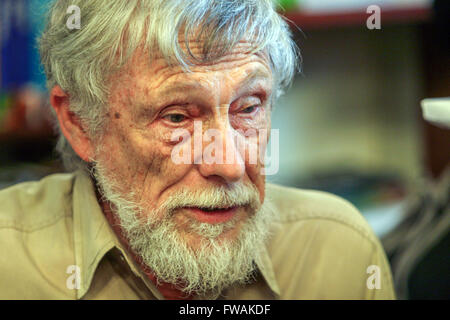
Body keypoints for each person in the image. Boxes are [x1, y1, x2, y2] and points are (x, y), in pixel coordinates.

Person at [0, 0, 395, 300]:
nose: (230, 163)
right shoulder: (11, 264)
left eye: (249, 107)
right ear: (79, 123)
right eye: (176, 118)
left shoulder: (338, 255)